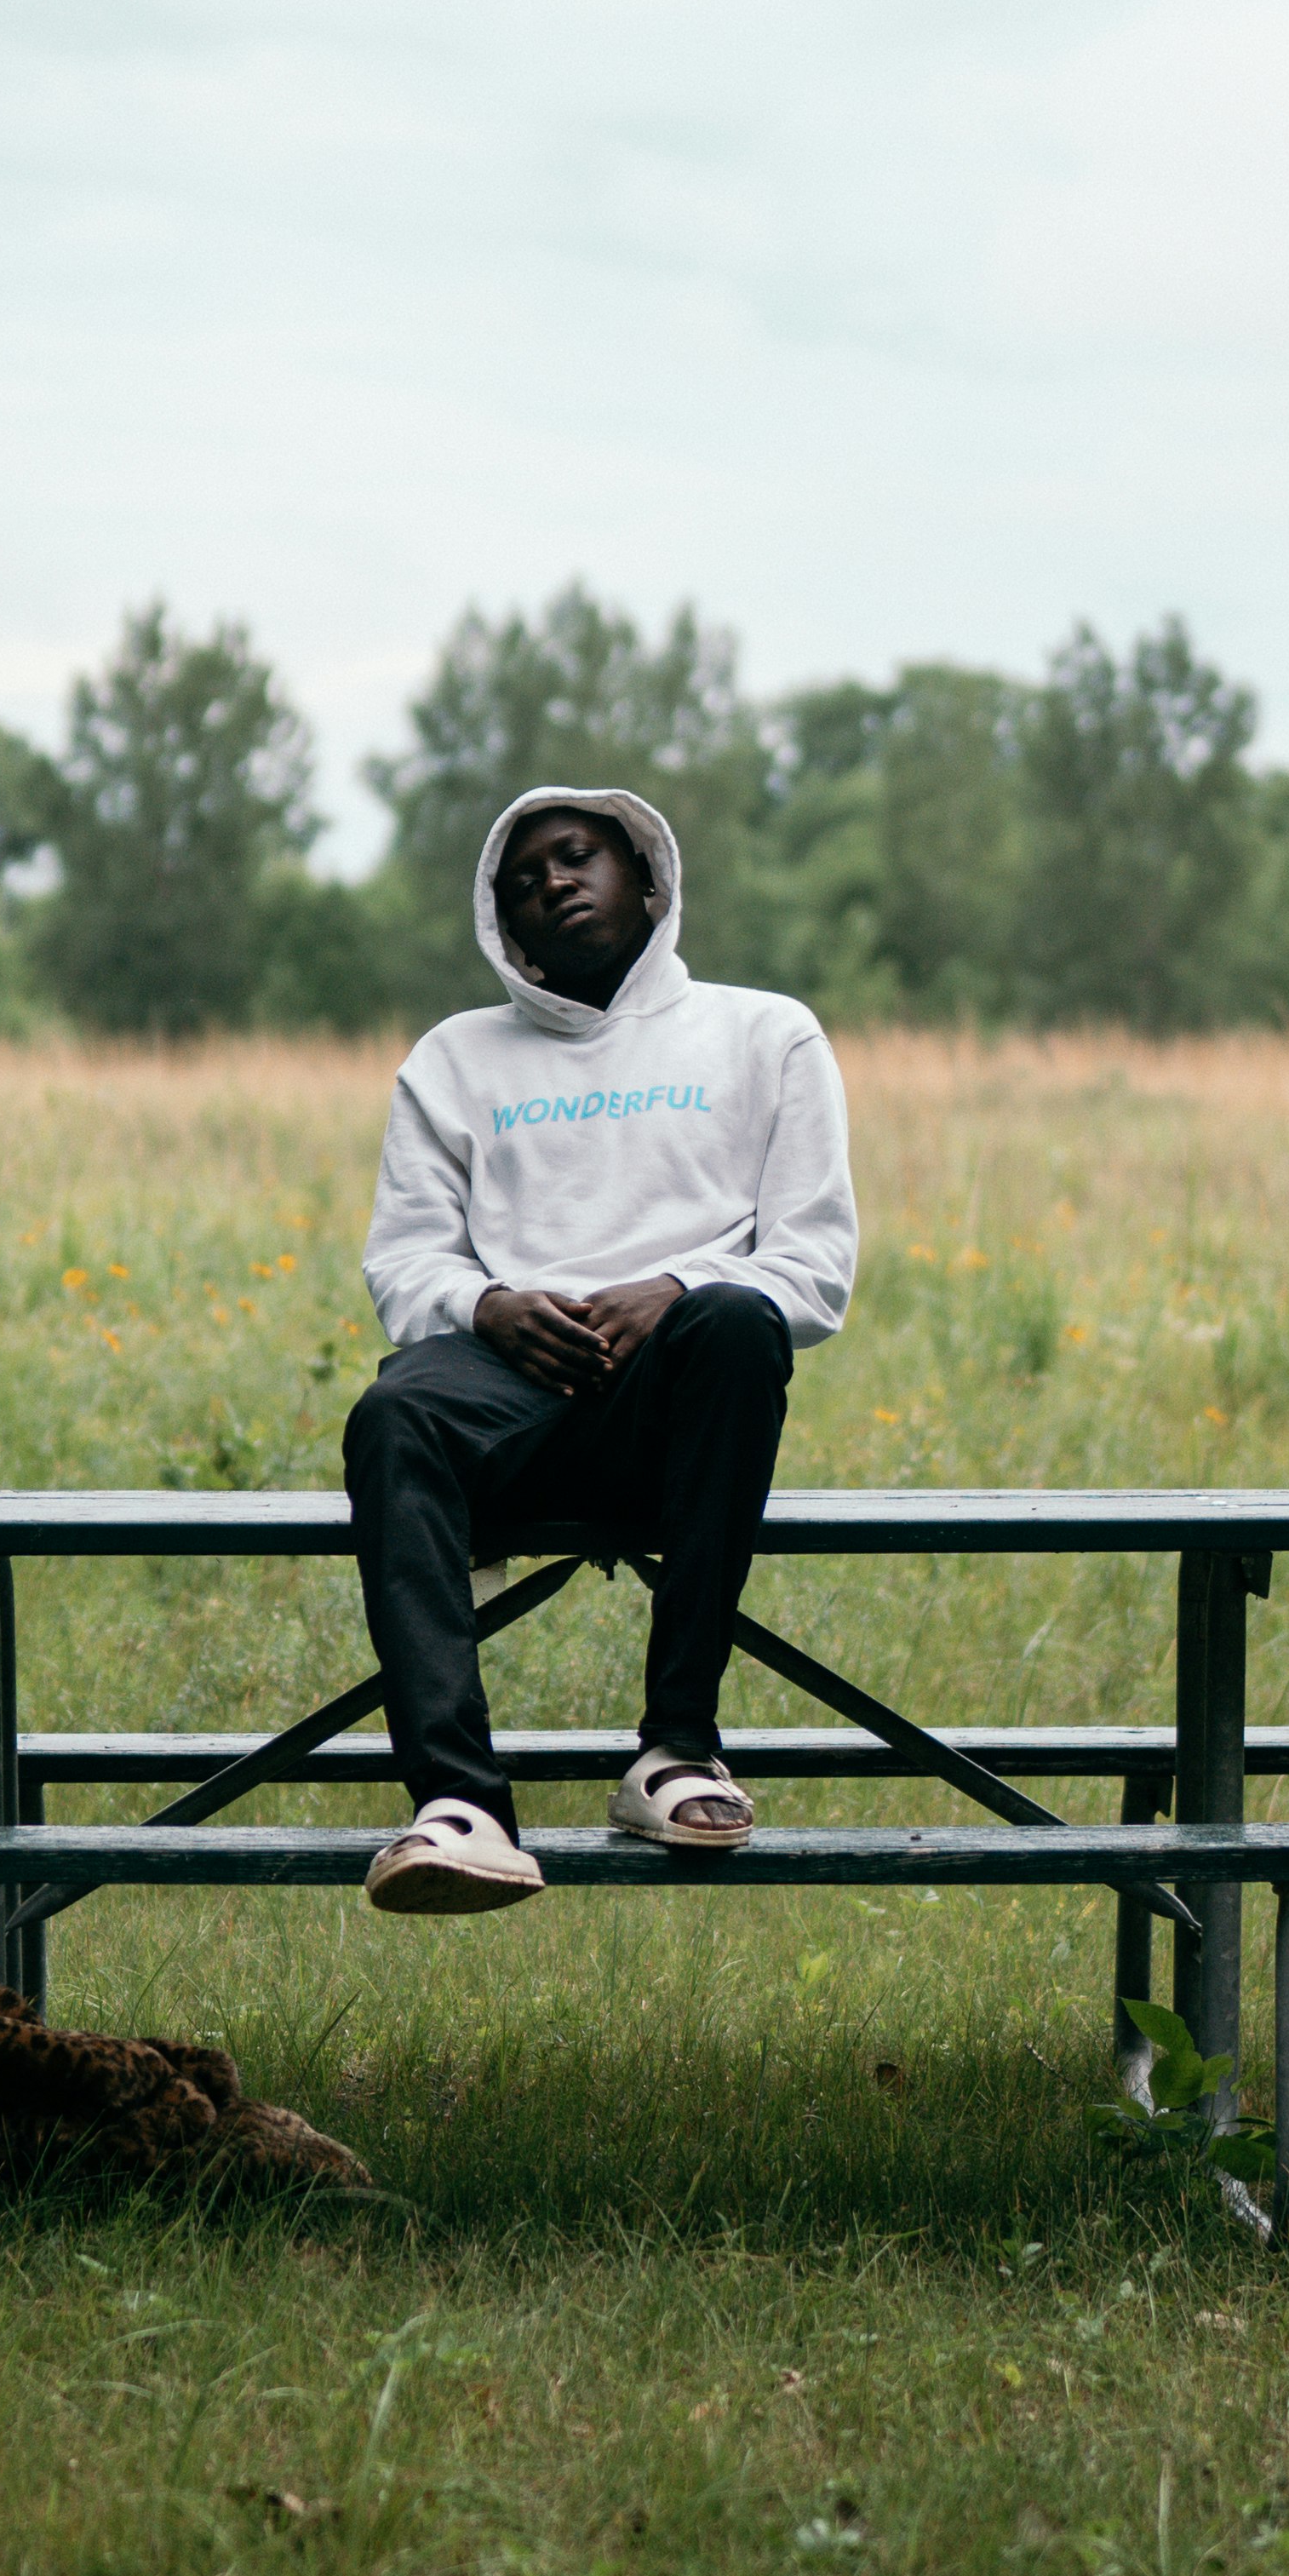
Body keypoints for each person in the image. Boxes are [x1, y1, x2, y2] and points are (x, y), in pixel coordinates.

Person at [344, 783, 859, 1912]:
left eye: (577, 858)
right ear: (503, 926)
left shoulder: (764, 1033)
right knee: (393, 1411)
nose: (554, 885)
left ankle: (675, 1753)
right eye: (522, 883)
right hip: (507, 1402)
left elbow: (814, 1269)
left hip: (679, 1411)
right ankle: (461, 1806)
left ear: (647, 876)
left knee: (736, 1319)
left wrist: (677, 1287)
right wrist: (489, 1310)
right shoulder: (455, 1058)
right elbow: (407, 1264)